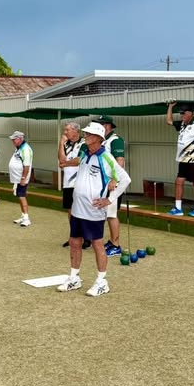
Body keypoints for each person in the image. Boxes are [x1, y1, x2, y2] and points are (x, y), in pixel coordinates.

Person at [56, 122, 129, 297]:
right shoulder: (84, 152)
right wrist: (65, 163)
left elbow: (125, 179)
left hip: (94, 211)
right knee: (74, 242)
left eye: (88, 134)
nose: (85, 136)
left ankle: (102, 282)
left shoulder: (106, 157)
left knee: (97, 244)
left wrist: (109, 199)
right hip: (77, 208)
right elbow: (74, 161)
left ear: (97, 138)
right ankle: (74, 278)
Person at [98, 115, 127, 255]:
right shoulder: (102, 140)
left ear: (107, 126)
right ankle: (111, 241)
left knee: (111, 214)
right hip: (104, 183)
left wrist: (115, 180)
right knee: (107, 213)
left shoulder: (115, 140)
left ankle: (116, 245)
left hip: (113, 184)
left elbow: (120, 161)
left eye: (100, 124)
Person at [60, 122, 89, 249]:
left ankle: (86, 237)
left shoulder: (84, 143)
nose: (65, 132)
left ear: (76, 131)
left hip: (80, 182)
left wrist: (65, 164)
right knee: (70, 211)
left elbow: (78, 160)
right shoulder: (66, 144)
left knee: (82, 210)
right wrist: (61, 144)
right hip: (67, 183)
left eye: (67, 130)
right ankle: (74, 236)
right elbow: (61, 159)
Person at [8, 131, 33, 227]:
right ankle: (23, 215)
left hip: (22, 177)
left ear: (20, 139)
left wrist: (23, 178)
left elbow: (27, 166)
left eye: (14, 139)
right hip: (17, 177)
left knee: (22, 196)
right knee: (19, 196)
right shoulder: (19, 148)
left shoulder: (26, 149)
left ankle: (26, 218)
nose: (12, 141)